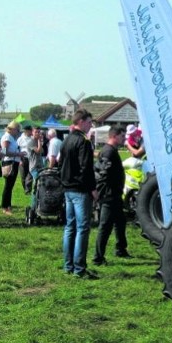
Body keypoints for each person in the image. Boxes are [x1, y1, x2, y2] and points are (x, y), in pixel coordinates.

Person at [60, 109, 98, 279]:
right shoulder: (83, 141)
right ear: (81, 121)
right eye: (89, 122)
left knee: (70, 227)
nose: (91, 126)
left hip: (68, 188)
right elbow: (86, 168)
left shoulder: (66, 139)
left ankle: (68, 265)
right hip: (80, 190)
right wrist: (93, 189)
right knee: (82, 229)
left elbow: (62, 164)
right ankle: (79, 268)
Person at [92, 125, 132, 265]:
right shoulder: (108, 152)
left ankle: (121, 249)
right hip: (109, 195)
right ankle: (98, 257)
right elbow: (102, 174)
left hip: (115, 194)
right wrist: (101, 192)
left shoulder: (110, 150)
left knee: (120, 222)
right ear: (114, 136)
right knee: (105, 226)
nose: (124, 139)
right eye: (122, 136)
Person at [0, 121, 26, 215]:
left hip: (14, 162)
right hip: (9, 163)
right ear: (13, 129)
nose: (18, 132)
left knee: (10, 186)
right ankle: (4, 207)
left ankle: (8, 205)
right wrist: (18, 154)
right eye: (17, 130)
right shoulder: (7, 137)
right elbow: (4, 152)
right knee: (8, 186)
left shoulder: (11, 137)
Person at [26, 127, 44, 208]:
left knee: (40, 186)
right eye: (36, 132)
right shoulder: (31, 142)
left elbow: (42, 151)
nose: (38, 133)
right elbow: (39, 151)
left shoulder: (37, 141)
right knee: (36, 186)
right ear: (32, 133)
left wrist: (39, 141)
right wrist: (39, 140)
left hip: (40, 166)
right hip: (34, 167)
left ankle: (39, 204)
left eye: (39, 132)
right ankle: (33, 206)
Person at [16, 123, 33, 194]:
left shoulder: (32, 139)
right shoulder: (20, 139)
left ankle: (28, 190)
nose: (31, 132)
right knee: (23, 176)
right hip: (22, 159)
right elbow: (17, 149)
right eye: (30, 131)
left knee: (30, 175)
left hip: (31, 159)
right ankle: (25, 188)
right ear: (26, 131)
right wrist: (19, 160)